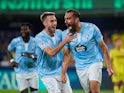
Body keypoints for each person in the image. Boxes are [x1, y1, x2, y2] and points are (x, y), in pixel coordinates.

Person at [62, 9, 114, 93]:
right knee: (89, 91)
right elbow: (66, 55)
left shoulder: (92, 28)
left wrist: (109, 66)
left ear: (76, 19)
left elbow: (104, 48)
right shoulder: (65, 34)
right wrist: (63, 73)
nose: (65, 21)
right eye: (65, 19)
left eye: (68, 19)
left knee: (94, 90)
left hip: (94, 62)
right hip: (80, 67)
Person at [35, 12, 74, 93]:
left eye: (55, 21)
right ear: (45, 23)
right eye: (51, 21)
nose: (55, 23)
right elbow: (51, 53)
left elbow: (71, 32)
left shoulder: (59, 33)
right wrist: (65, 40)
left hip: (60, 71)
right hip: (46, 74)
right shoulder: (40, 37)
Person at [7, 23, 38, 93]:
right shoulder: (15, 41)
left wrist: (31, 56)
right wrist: (12, 60)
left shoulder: (35, 41)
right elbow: (8, 50)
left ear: (30, 30)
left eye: (25, 29)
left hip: (32, 71)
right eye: (22, 30)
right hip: (20, 71)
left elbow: (39, 57)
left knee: (34, 92)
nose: (23, 31)